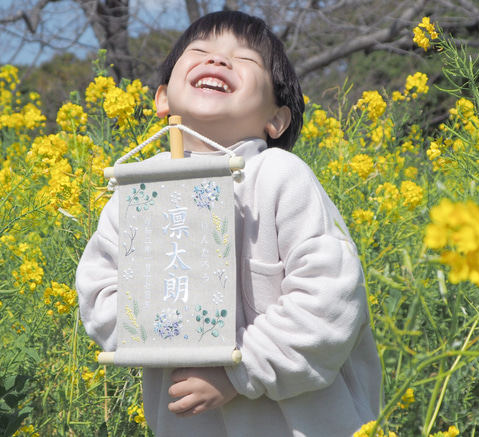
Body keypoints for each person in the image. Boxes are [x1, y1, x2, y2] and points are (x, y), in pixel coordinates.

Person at [76, 10, 382, 437]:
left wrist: (237, 373)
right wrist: (157, 333)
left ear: (276, 120)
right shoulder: (139, 186)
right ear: (162, 98)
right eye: (200, 52)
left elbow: (330, 297)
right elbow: (100, 291)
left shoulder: (279, 175)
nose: (218, 61)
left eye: (245, 59)